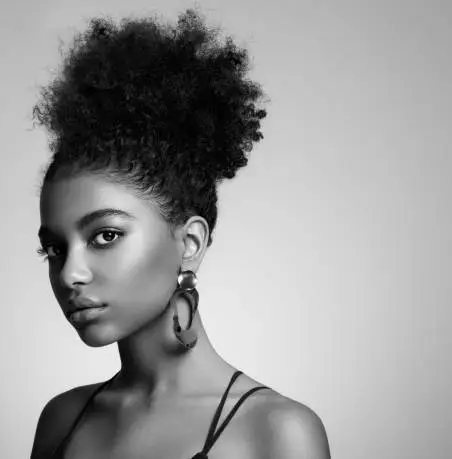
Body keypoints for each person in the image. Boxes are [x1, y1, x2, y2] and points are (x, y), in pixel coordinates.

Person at [30, 8, 330, 459]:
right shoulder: (63, 420)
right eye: (54, 248)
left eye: (105, 236)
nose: (70, 274)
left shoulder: (277, 432)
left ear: (190, 243)